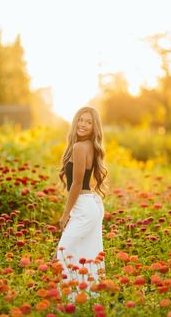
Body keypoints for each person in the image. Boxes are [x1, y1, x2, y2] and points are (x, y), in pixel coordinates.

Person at [55, 106, 107, 288]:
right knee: (86, 255)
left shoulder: (79, 147)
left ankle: (68, 300)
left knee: (63, 253)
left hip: (83, 208)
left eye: (89, 122)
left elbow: (77, 184)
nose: (83, 124)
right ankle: (86, 300)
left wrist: (65, 214)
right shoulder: (90, 146)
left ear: (94, 127)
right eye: (81, 119)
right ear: (75, 120)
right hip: (89, 205)